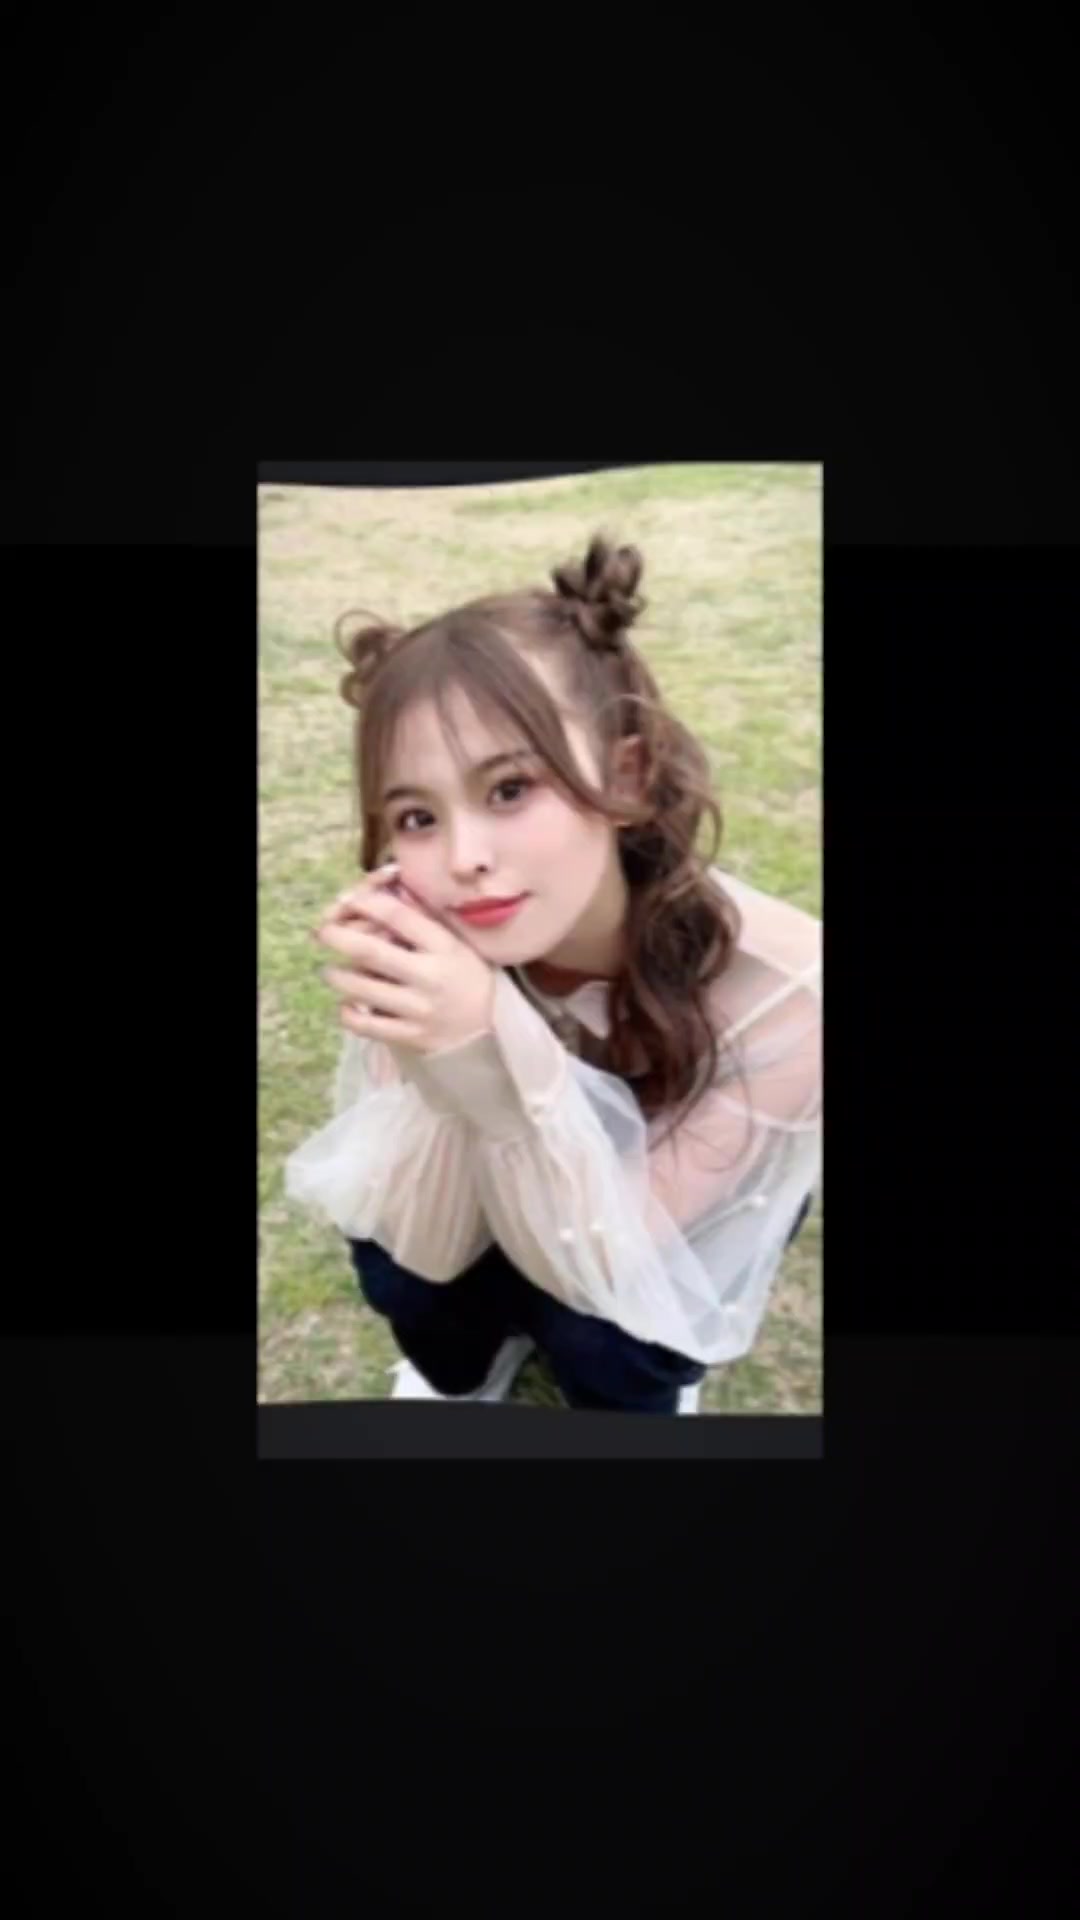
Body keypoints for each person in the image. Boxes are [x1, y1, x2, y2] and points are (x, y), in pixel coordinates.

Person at [284, 534, 821, 1414]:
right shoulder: (427, 937)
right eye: (416, 816)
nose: (463, 859)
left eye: (509, 789)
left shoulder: (788, 989)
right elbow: (424, 1244)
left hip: (651, 1226)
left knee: (608, 1336)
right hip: (505, 1194)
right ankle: (470, 1373)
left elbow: (610, 1263)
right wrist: (439, 1062)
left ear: (627, 776)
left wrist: (497, 1070)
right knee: (395, 1266)